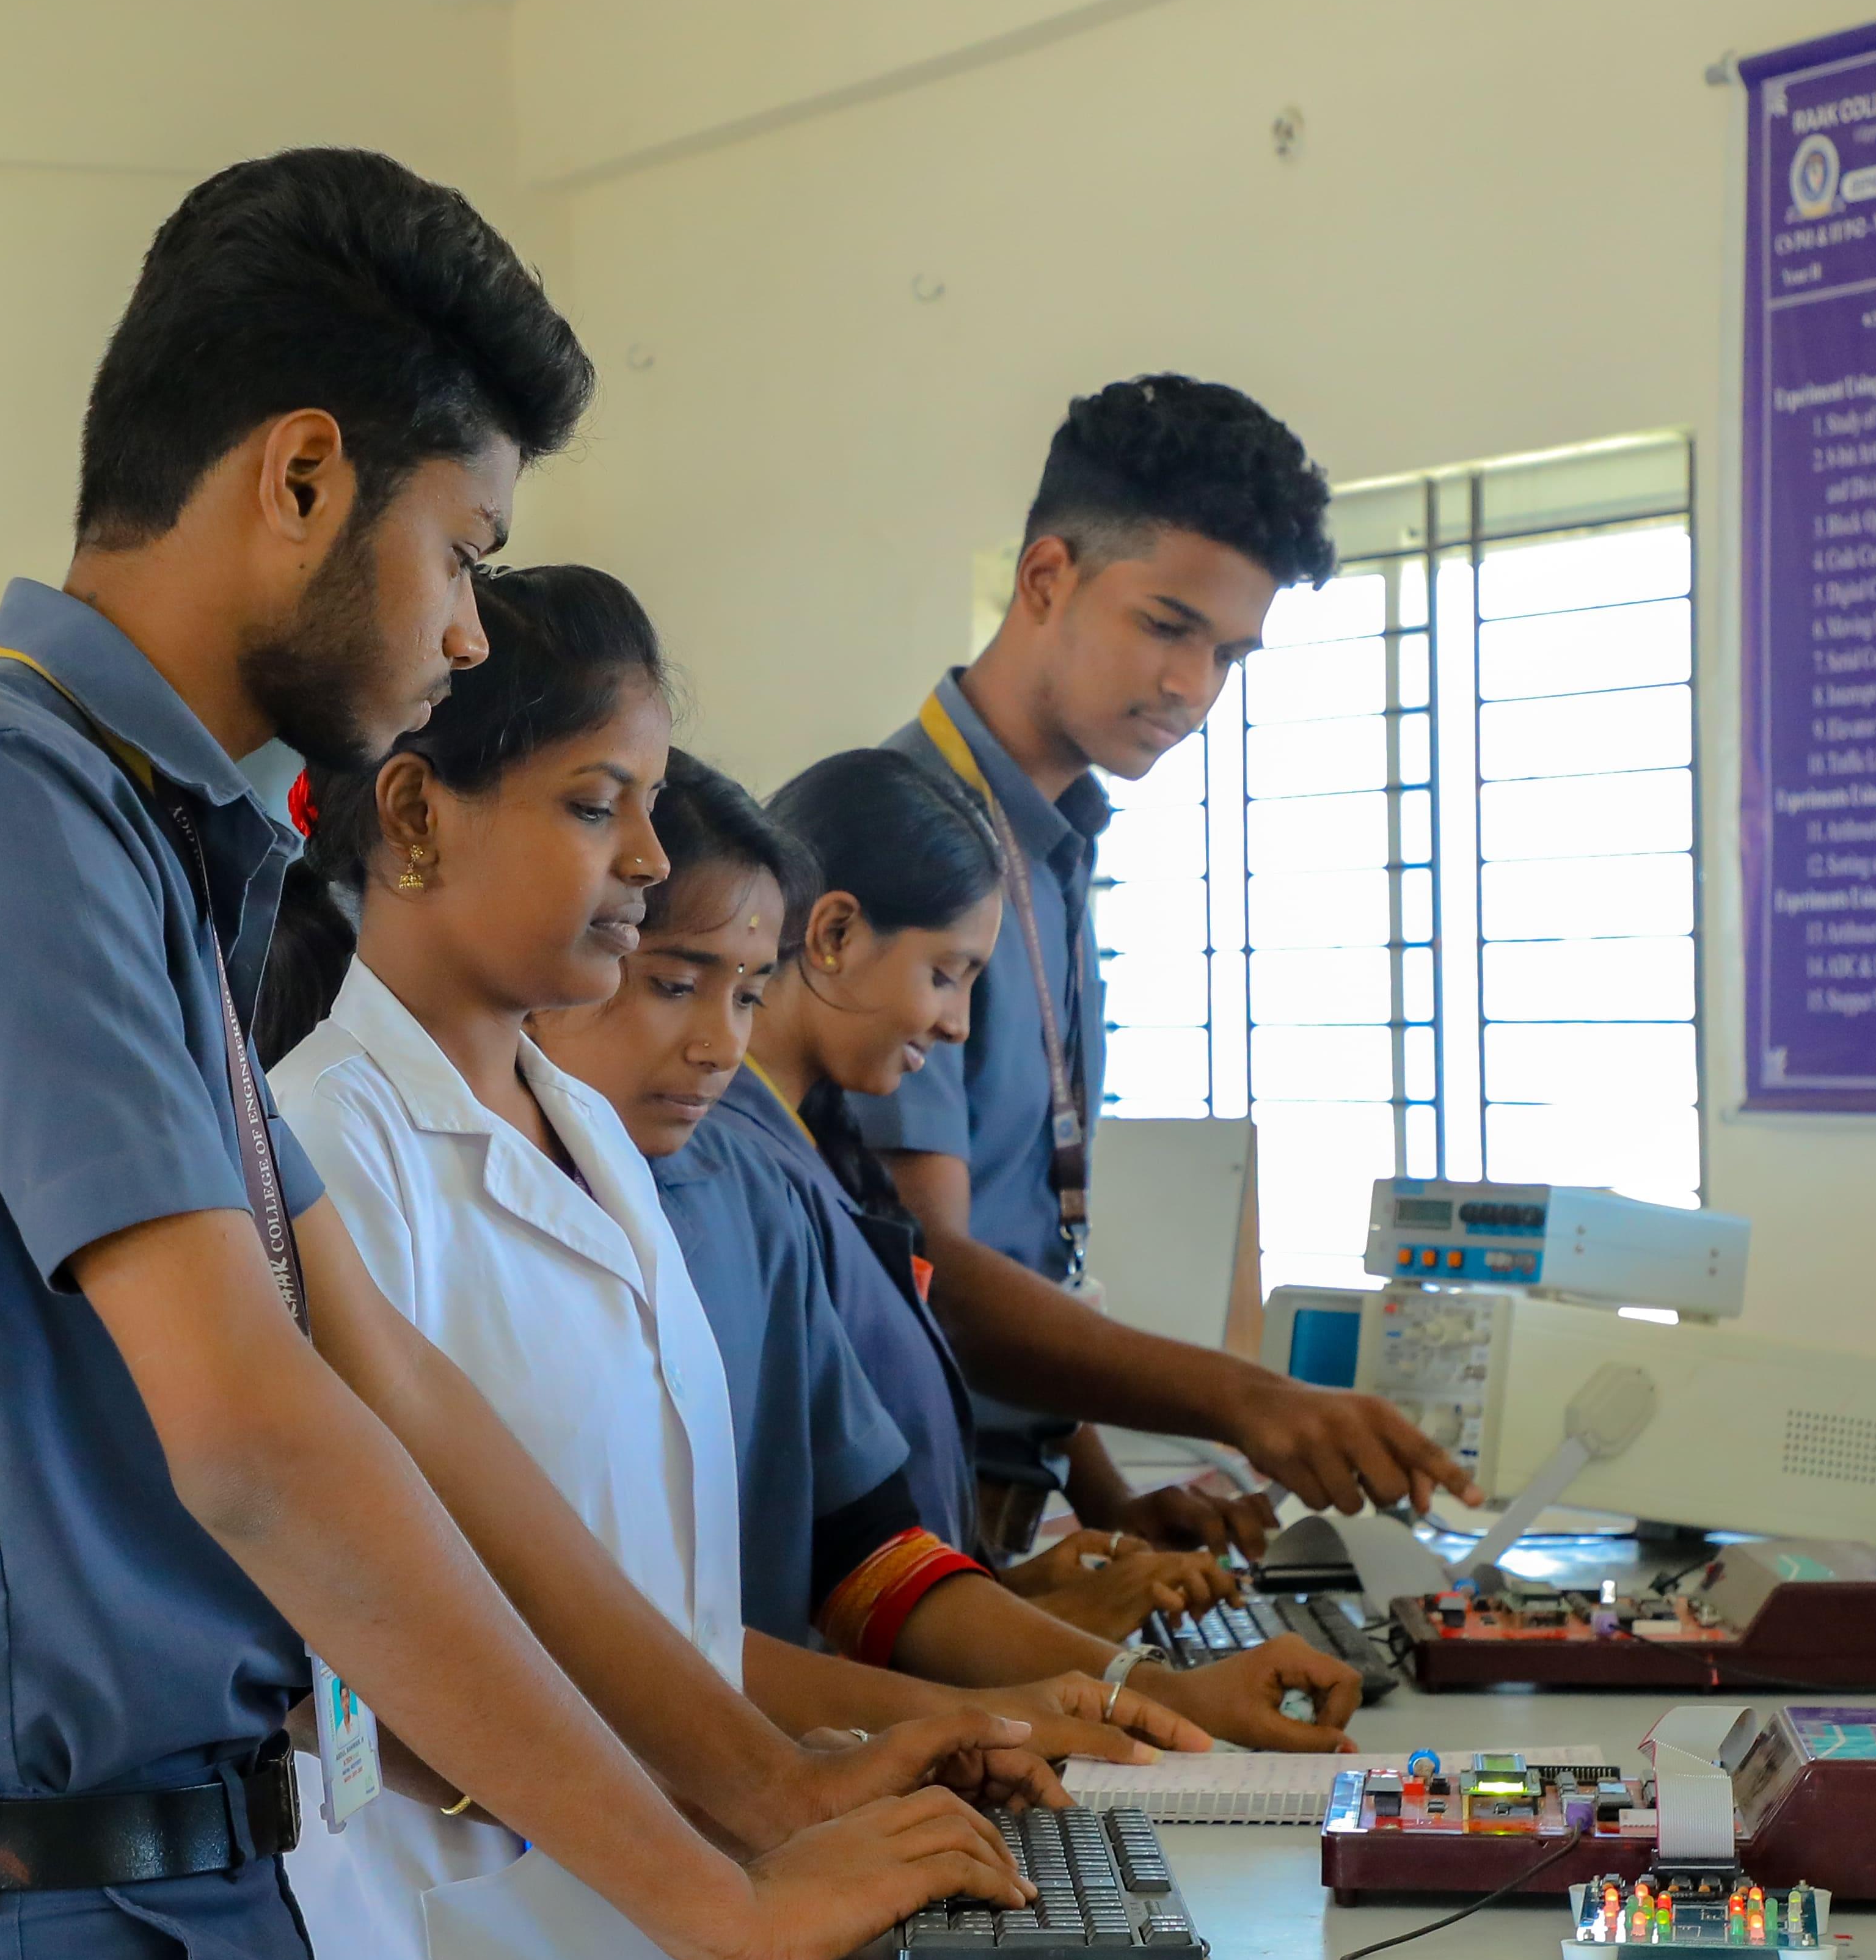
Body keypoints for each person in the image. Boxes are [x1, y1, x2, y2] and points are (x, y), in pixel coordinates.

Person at [0, 149, 1021, 1960]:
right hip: (33, 1932)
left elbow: (382, 1384)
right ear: (304, 481)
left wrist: (768, 1795)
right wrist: (712, 1890)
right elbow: (255, 1436)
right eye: (461, 552)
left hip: (166, 1913)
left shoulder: (158, 850)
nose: (469, 627)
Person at [257, 567, 1123, 1960]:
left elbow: (646, 1601)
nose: (650, 862)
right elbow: (380, 1661)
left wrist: (805, 1770)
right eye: (600, 807)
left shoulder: (598, 1144)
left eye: (653, 810)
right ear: (416, 817)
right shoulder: (323, 1151)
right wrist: (752, 1818)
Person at [549, 750, 1359, 1755]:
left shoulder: (752, 1194)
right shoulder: (523, 1200)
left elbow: (862, 1552)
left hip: (782, 1762)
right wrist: (1037, 1704)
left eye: (750, 996)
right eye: (674, 983)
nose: (720, 1045)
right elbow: (600, 1641)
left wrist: (1123, 1684)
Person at [867, 375, 1466, 1560]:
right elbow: (930, 1276)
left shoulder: (1052, 845)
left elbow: (1027, 1241)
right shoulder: (904, 838)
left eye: (1230, 651)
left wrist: (1111, 1498)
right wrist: (1248, 1399)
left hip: (1001, 1503)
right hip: (898, 1529)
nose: (1196, 686)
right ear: (1047, 578)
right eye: (1167, 624)